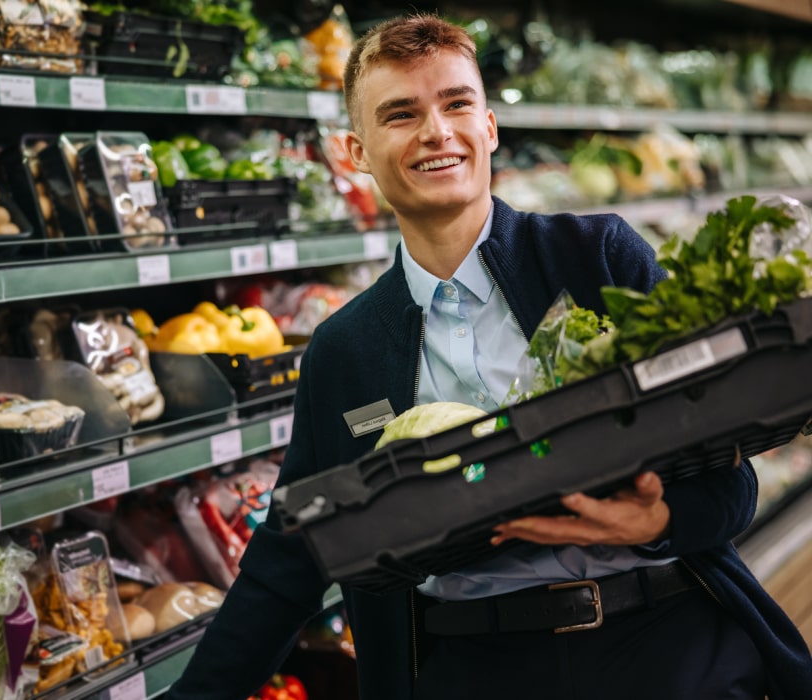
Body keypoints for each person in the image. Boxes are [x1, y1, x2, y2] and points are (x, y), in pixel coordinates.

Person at [167, 13, 812, 700]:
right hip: (473, 668)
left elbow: (729, 480)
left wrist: (660, 521)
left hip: (660, 639)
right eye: (401, 114)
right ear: (357, 150)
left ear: (490, 127)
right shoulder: (344, 349)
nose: (437, 132)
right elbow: (289, 559)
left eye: (456, 104)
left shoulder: (596, 257)